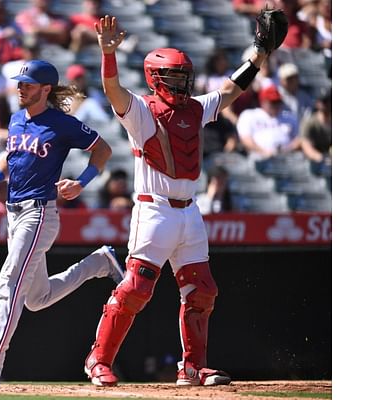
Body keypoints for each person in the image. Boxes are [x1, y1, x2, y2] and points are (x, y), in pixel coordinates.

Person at [83, 14, 282, 387]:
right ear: (155, 79)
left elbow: (228, 92)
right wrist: (108, 55)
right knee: (136, 289)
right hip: (154, 208)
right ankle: (98, 358)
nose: (181, 83)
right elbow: (113, 90)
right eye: (173, 77)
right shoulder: (142, 110)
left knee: (202, 291)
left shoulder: (194, 108)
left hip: (190, 211)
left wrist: (257, 55)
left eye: (183, 76)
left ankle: (193, 367)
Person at [0, 59, 124, 389]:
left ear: (46, 90)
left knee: (10, 279)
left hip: (39, 212)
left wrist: (83, 181)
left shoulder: (60, 123)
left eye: (27, 84)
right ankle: (99, 262)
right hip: (12, 213)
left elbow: (102, 149)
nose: (20, 88)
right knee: (36, 298)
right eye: (20, 83)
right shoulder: (17, 119)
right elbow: (10, 158)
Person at [237, 85, 301, 161]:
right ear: (263, 102)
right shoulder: (249, 115)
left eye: (277, 101)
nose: (276, 105)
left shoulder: (289, 117)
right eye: (272, 102)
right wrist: (263, 152)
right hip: (258, 157)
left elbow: (299, 139)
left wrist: (287, 149)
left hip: (286, 157)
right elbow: (245, 139)